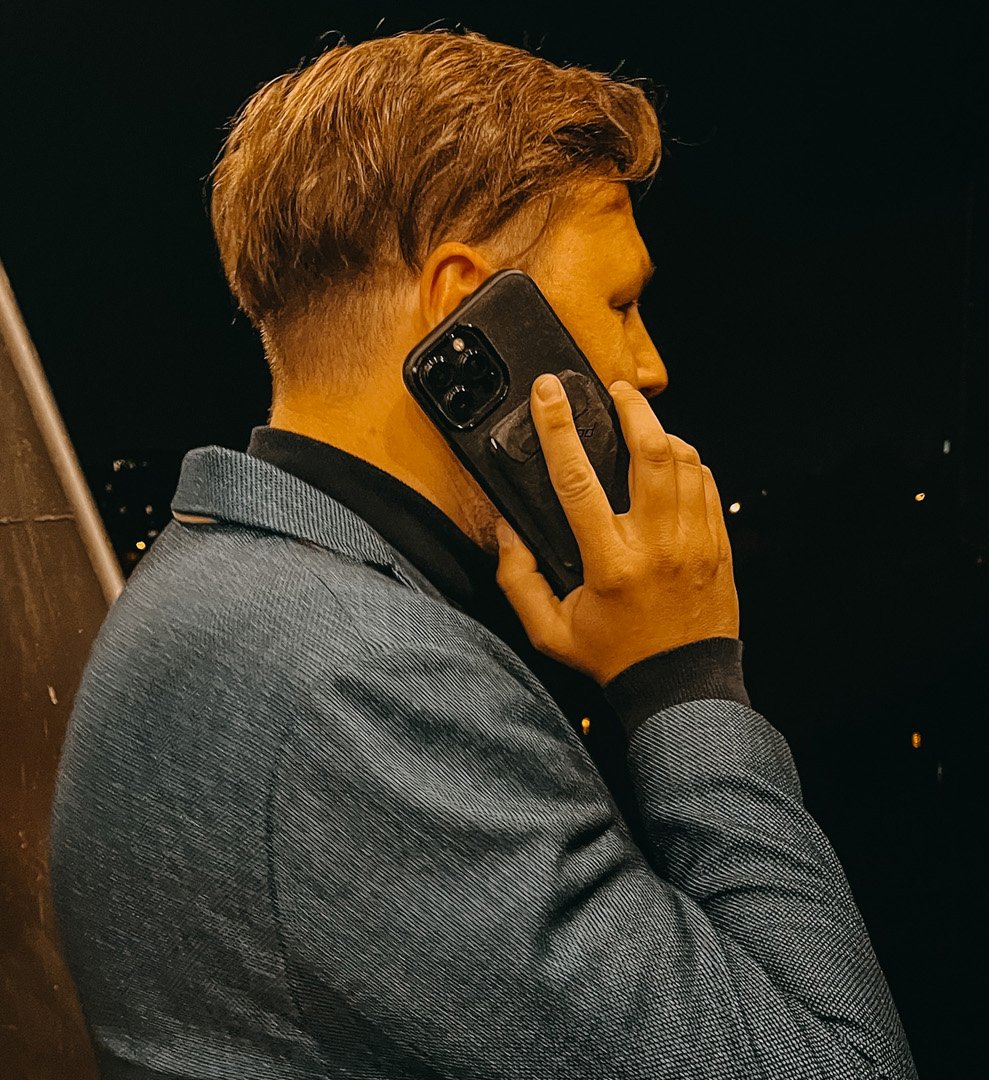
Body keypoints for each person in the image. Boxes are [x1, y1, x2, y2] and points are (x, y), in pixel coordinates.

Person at [49, 28, 917, 1080]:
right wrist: (685, 679)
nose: (650, 364)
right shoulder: (363, 680)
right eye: (622, 304)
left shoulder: (212, 574)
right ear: (467, 306)